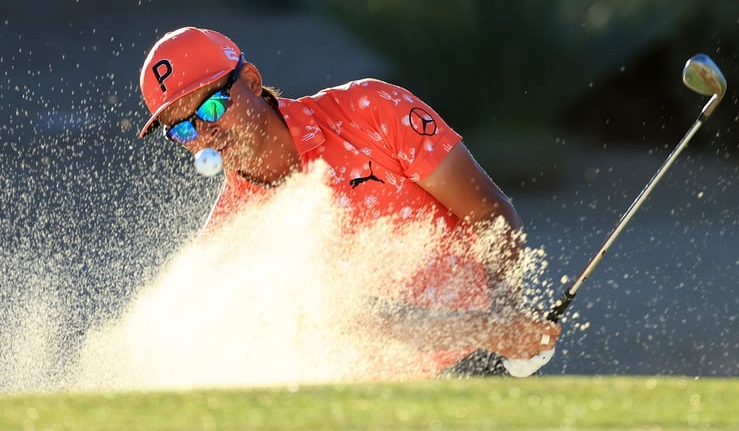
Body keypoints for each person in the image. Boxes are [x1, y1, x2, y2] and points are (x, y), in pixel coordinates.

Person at [137, 27, 560, 378]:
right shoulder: (231, 237)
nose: (204, 133)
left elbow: (488, 212)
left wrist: (507, 320)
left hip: (490, 362)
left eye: (212, 107)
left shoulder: (371, 110)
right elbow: (352, 322)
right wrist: (484, 329)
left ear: (249, 82)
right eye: (183, 131)